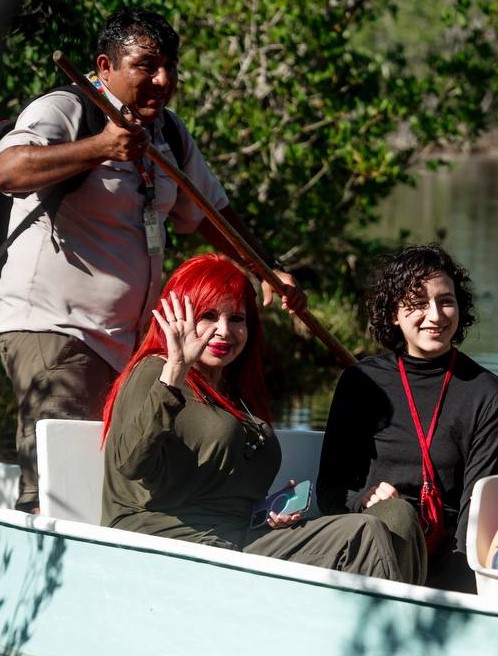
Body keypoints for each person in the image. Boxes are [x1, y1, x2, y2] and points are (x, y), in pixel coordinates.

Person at [0, 9, 302, 513]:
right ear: (106, 65)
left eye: (170, 68)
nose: (162, 80)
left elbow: (209, 212)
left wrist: (265, 268)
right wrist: (99, 147)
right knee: (59, 487)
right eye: (146, 66)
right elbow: (8, 170)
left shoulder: (169, 134)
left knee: (115, 474)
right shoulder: (67, 109)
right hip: (55, 329)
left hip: (125, 343)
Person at [100, 254, 410, 580]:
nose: (224, 331)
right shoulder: (155, 371)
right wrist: (175, 370)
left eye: (237, 318)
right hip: (165, 540)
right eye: (209, 315)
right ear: (179, 318)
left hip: (239, 539)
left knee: (380, 523)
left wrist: (265, 511)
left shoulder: (235, 390)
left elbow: (216, 486)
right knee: (362, 536)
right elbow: (131, 460)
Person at [317, 244, 498, 592]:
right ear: (394, 313)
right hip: (368, 545)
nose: (435, 315)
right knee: (396, 516)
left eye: (446, 301)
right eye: (418, 303)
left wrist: (456, 588)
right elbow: (331, 490)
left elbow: (476, 508)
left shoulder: (488, 394)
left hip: (443, 555)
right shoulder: (361, 382)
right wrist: (360, 500)